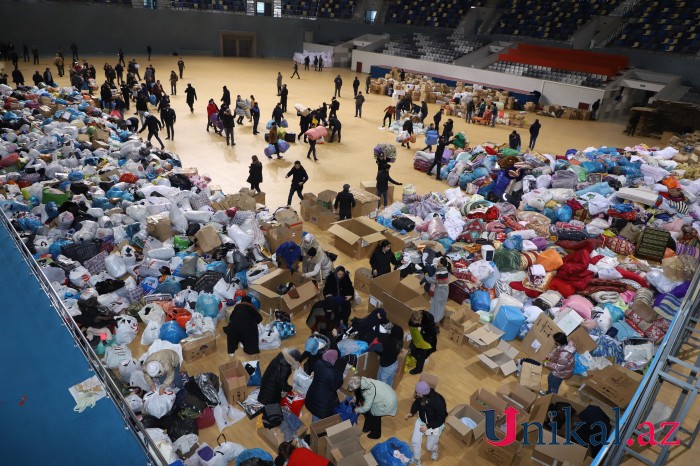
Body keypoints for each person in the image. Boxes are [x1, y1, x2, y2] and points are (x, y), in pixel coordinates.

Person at [405, 381, 448, 465]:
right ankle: (417, 459)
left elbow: (441, 418)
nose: (416, 394)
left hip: (434, 426)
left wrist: (428, 426)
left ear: (423, 393)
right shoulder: (422, 396)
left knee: (429, 447)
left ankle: (434, 449)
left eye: (418, 392)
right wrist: (412, 412)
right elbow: (417, 403)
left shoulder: (438, 401)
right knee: (415, 441)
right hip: (422, 421)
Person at [304, 348, 343, 422]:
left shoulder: (319, 362)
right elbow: (335, 386)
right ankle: (316, 430)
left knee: (314, 410)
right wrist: (339, 373)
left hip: (312, 393)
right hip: (322, 400)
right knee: (318, 415)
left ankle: (315, 426)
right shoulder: (331, 372)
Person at [408, 310, 438, 374]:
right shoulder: (415, 315)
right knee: (413, 345)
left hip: (429, 336)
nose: (416, 324)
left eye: (417, 322)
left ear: (421, 319)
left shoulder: (429, 319)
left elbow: (430, 332)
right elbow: (411, 323)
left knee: (422, 352)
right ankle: (415, 357)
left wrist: (421, 329)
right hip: (422, 332)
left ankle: (418, 369)